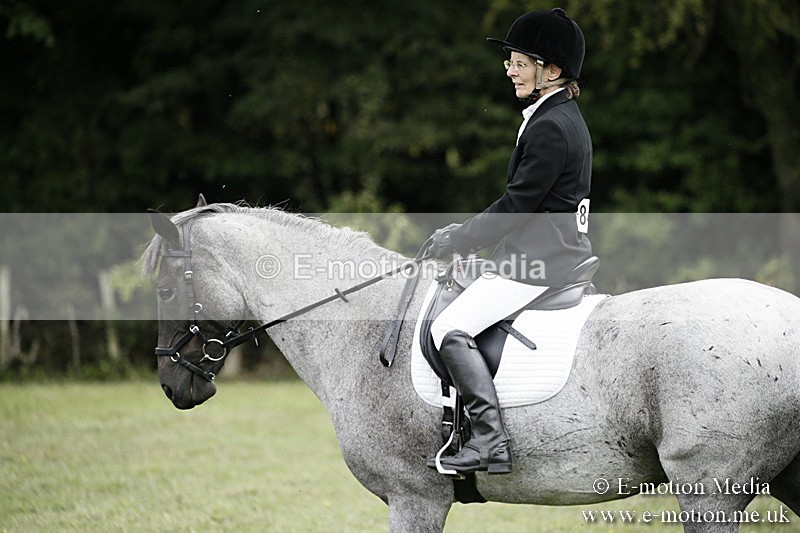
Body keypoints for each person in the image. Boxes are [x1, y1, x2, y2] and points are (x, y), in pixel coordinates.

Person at [427, 7, 593, 475]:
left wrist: (457, 238)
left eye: (520, 62)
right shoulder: (559, 117)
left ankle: (488, 441)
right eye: (511, 62)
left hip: (539, 262)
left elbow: (516, 206)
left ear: (552, 71)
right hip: (546, 251)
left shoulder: (549, 127)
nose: (510, 69)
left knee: (448, 329)